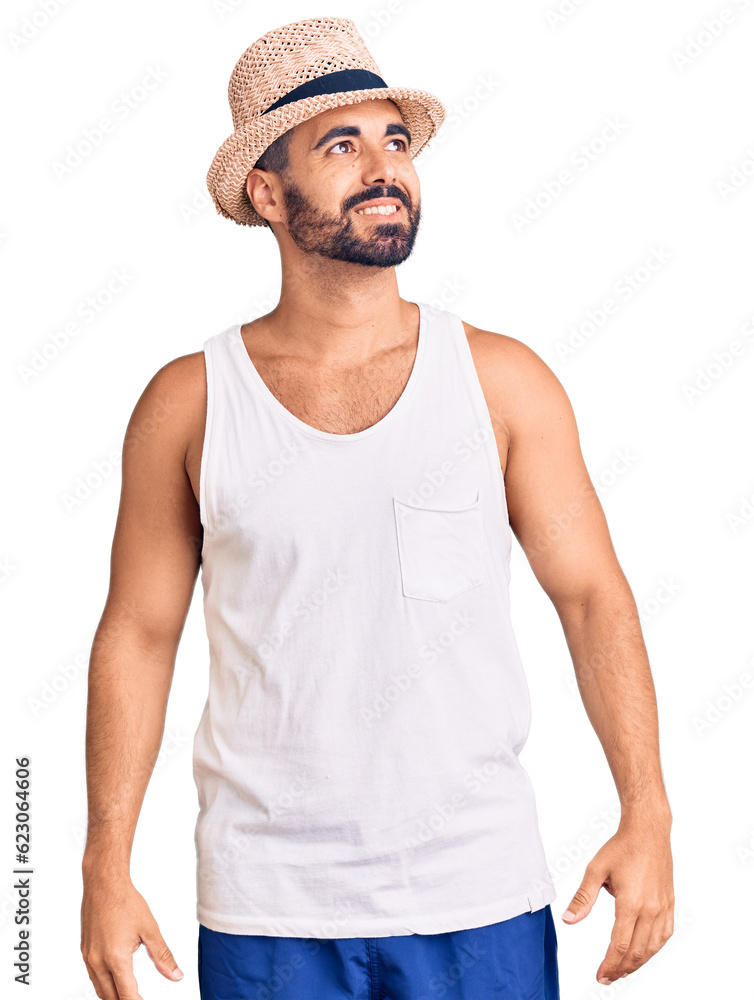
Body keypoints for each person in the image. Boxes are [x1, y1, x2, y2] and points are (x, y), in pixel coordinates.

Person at [79, 15, 674, 1000]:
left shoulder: (501, 382)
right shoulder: (189, 401)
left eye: (393, 140)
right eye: (340, 145)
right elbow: (138, 634)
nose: (382, 166)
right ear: (266, 192)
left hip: (477, 894)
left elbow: (593, 599)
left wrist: (646, 813)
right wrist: (105, 861)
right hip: (267, 909)